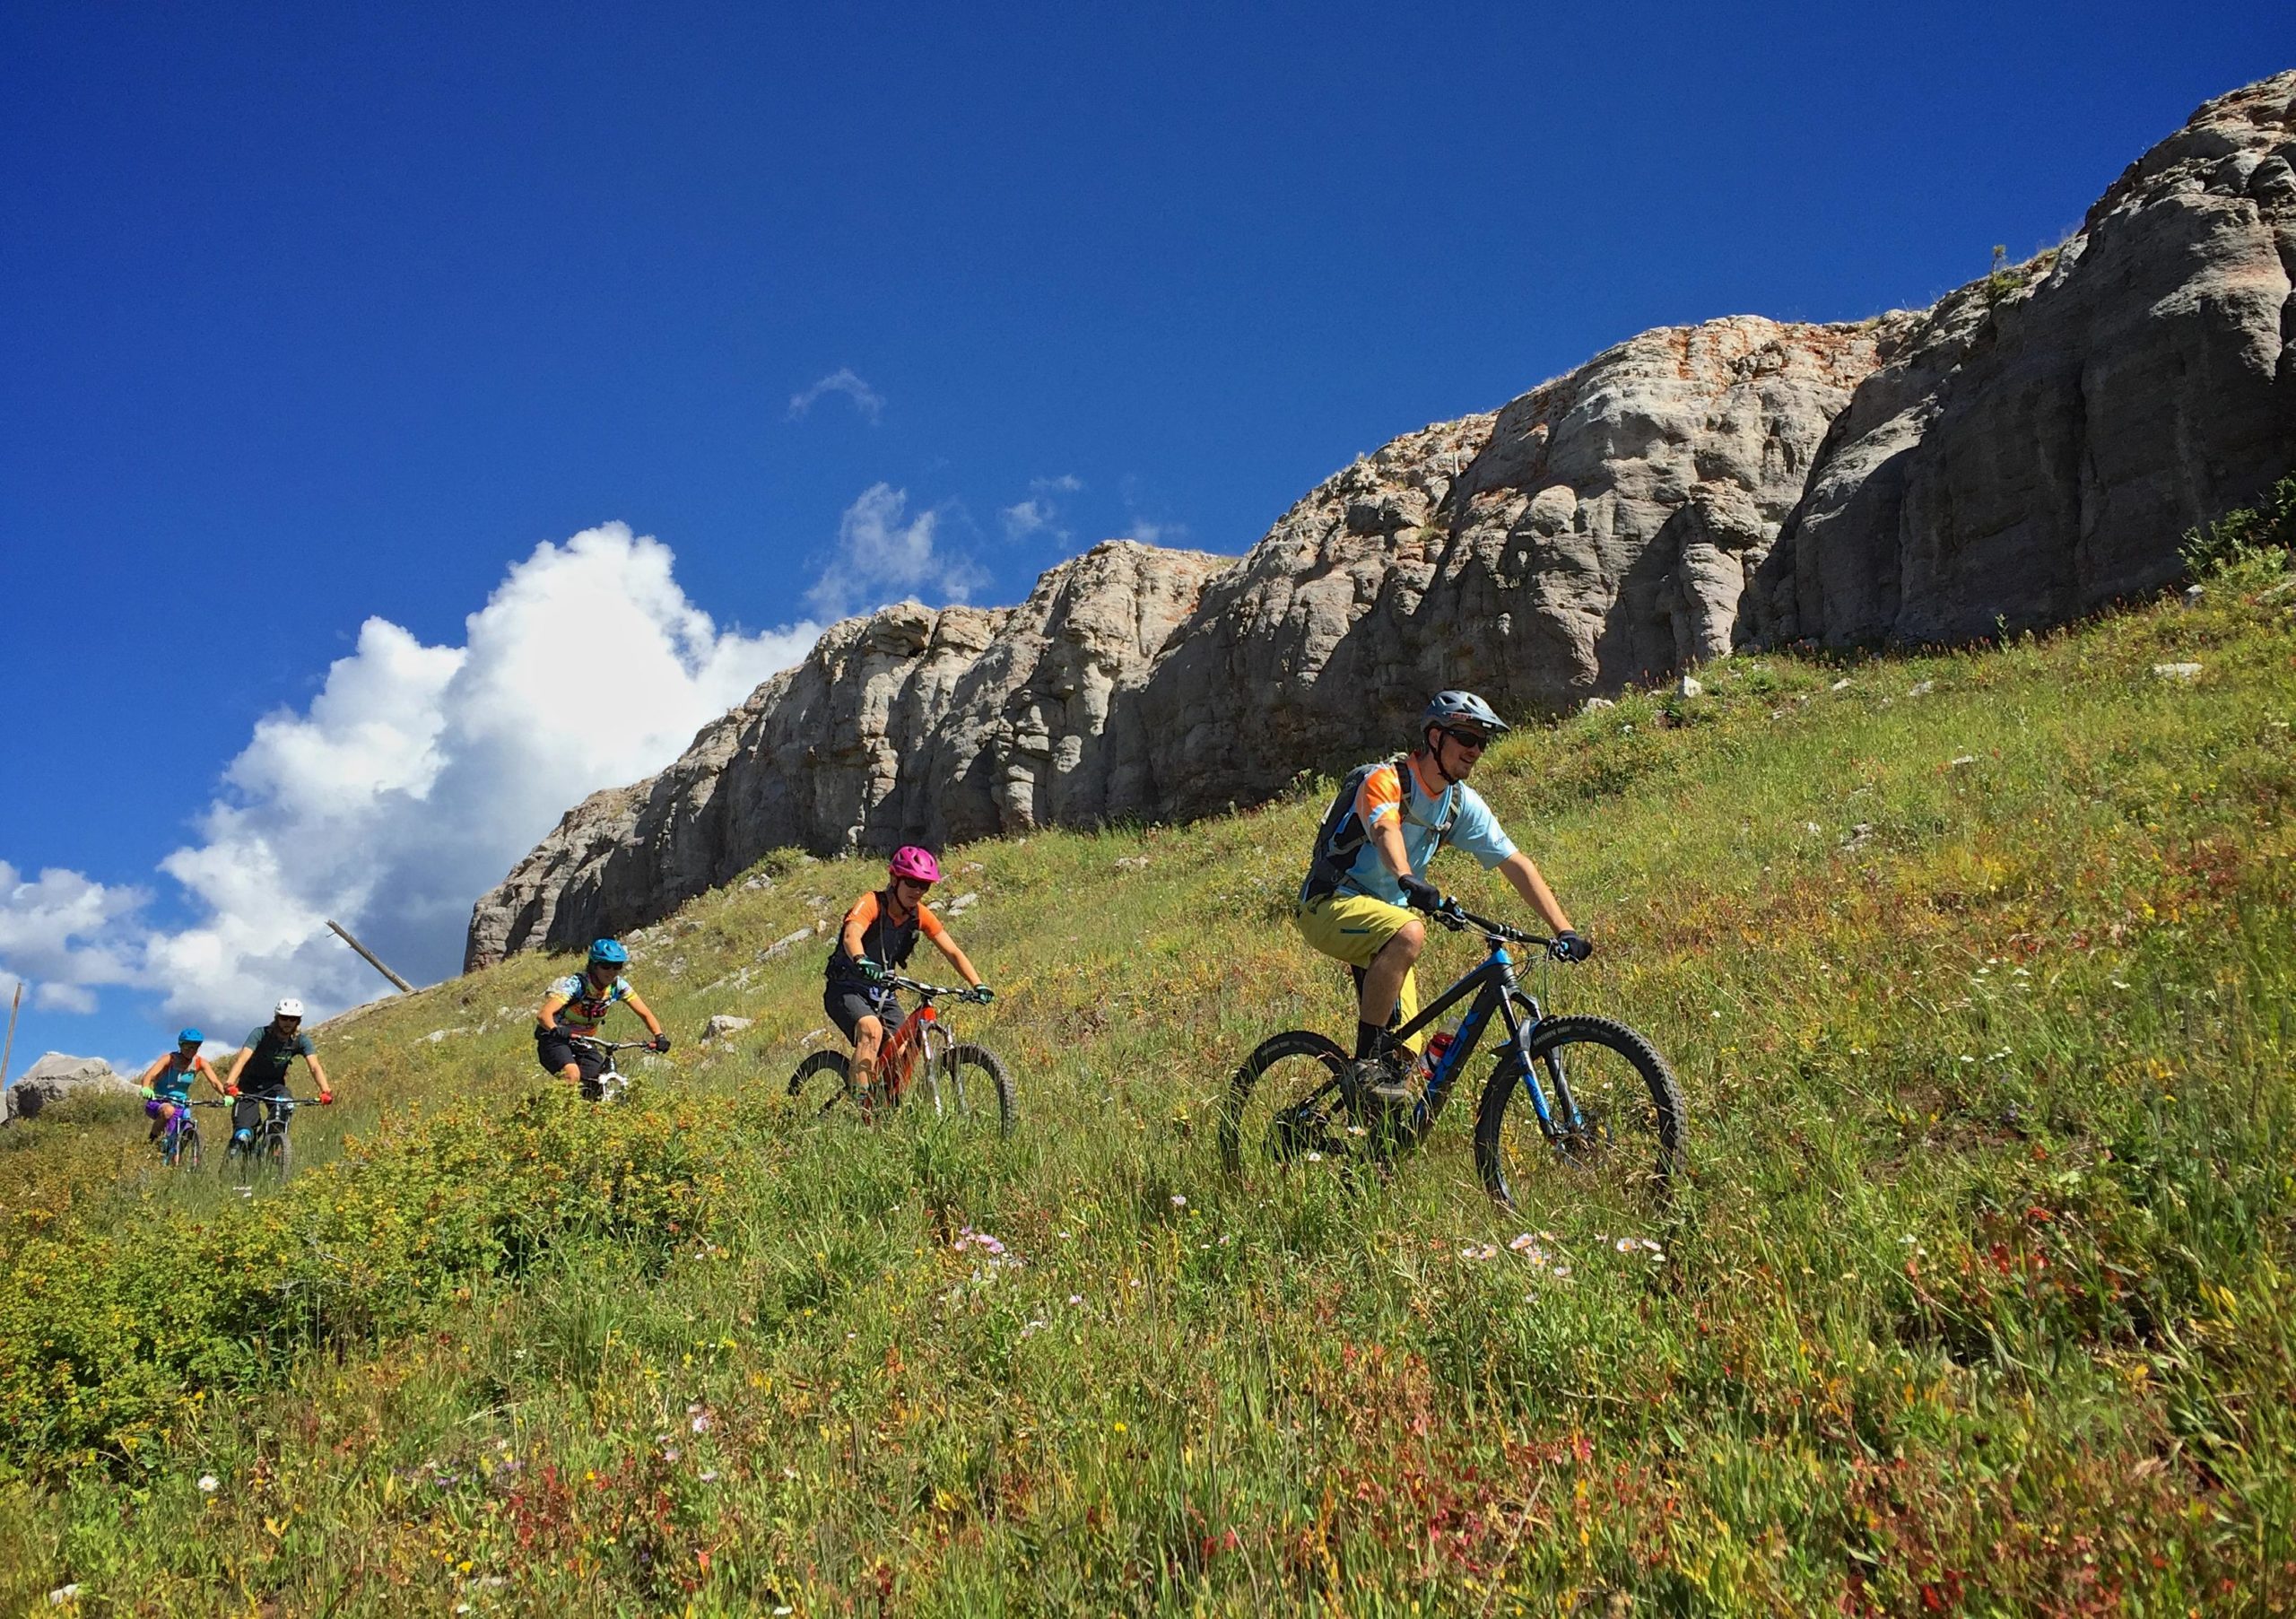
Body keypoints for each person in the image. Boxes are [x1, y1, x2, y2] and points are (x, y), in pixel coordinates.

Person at [1294, 691, 1591, 1092]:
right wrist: (1406, 877)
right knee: (1409, 930)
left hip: (1388, 921)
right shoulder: (1385, 781)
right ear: (1435, 737)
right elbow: (1385, 828)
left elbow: (1514, 862)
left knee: (1403, 1060)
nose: (1476, 751)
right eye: (1467, 738)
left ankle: (1377, 1136)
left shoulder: (1458, 803)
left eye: (1482, 743)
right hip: (1328, 904)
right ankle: (1364, 1061)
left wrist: (1564, 930)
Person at [824, 846, 991, 1109]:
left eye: (924, 886)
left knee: (902, 1052)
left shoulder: (919, 914)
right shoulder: (871, 902)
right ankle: (858, 1108)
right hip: (847, 986)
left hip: (883, 990)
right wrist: (861, 959)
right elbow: (851, 935)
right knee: (871, 1030)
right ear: (894, 880)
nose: (918, 891)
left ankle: (885, 1107)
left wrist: (978, 984)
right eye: (912, 882)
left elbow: (952, 950)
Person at [535, 938, 669, 1097]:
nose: (611, 972)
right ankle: (546, 1112)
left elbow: (645, 1014)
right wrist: (556, 1029)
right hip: (555, 1038)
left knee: (597, 1084)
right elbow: (544, 1015)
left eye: (617, 966)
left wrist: (659, 1036)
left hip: (583, 1041)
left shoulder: (618, 986)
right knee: (572, 1075)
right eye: (605, 966)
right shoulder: (578, 984)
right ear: (593, 965)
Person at [223, 998, 333, 1151]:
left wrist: (325, 1091)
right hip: (249, 1086)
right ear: (277, 1017)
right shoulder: (260, 1034)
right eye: (284, 1018)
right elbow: (242, 1059)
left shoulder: (300, 1040)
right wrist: (229, 1084)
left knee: (286, 1105)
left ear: (298, 1021)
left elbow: (314, 1066)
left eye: (293, 1019)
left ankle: (274, 1146)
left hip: (275, 1086)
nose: (288, 1022)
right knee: (243, 1133)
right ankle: (235, 1158)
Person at [137, 1028, 224, 1145]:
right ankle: (151, 1142)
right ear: (180, 1045)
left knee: (186, 1128)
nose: (191, 1050)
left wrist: (227, 1096)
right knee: (168, 1111)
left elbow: (215, 1082)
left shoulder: (200, 1063)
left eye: (195, 1047)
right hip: (159, 1101)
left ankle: (178, 1156)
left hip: (181, 1104)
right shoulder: (169, 1059)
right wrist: (146, 1088)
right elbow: (149, 1076)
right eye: (187, 1046)